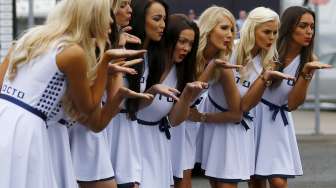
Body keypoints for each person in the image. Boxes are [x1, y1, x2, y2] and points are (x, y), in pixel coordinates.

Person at [0, 0, 147, 187]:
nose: (110, 22)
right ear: (90, 17)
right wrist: (105, 63)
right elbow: (88, 107)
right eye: (105, 16)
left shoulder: (29, 39)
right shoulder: (73, 52)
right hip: (30, 129)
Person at [249, 6, 332, 188]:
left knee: (278, 181)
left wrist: (306, 72)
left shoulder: (309, 59)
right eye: (303, 26)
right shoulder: (269, 50)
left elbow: (293, 103)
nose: (309, 31)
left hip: (279, 121)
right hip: (255, 114)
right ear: (289, 27)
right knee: (255, 179)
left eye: (312, 26)